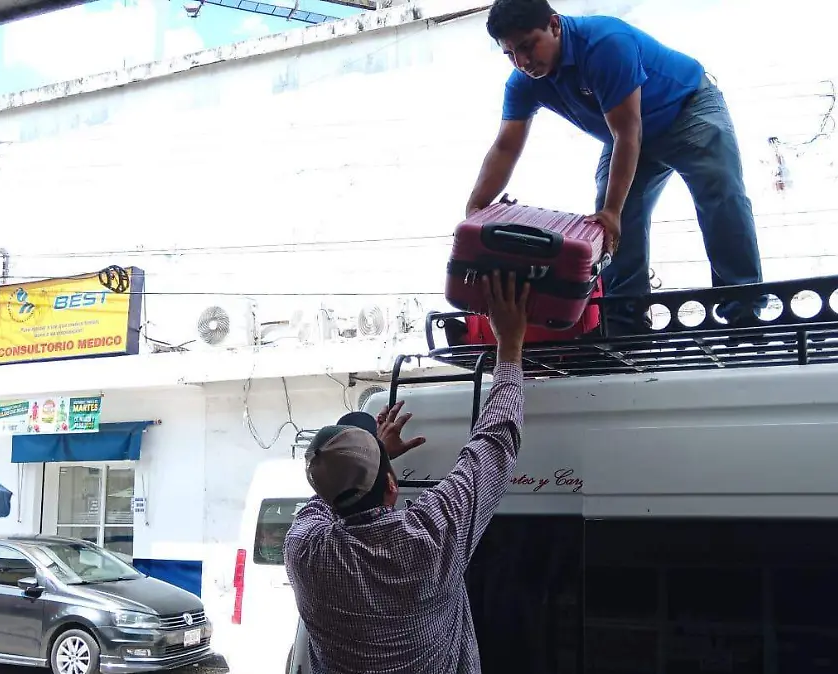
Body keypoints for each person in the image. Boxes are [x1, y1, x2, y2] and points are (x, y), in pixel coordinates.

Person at [467, 0, 764, 335]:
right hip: (627, 132)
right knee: (610, 226)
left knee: (720, 193)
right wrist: (475, 207)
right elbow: (506, 146)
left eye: (526, 46)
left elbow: (628, 132)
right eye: (509, 54)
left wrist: (612, 209)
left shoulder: (604, 44)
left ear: (553, 25)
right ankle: (626, 323)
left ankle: (744, 310)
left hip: (686, 111)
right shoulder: (523, 82)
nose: (522, 62)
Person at [283, 271, 530, 673]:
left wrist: (377, 459)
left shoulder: (304, 552)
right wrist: (511, 345)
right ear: (393, 487)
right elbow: (495, 441)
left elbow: (327, 503)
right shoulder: (427, 541)